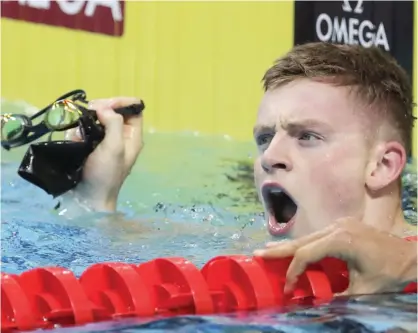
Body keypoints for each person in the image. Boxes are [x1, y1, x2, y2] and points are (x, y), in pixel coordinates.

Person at [59, 42, 417, 296]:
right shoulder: (242, 249)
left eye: (307, 136)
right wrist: (96, 195)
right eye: (264, 138)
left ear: (383, 165)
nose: (268, 157)